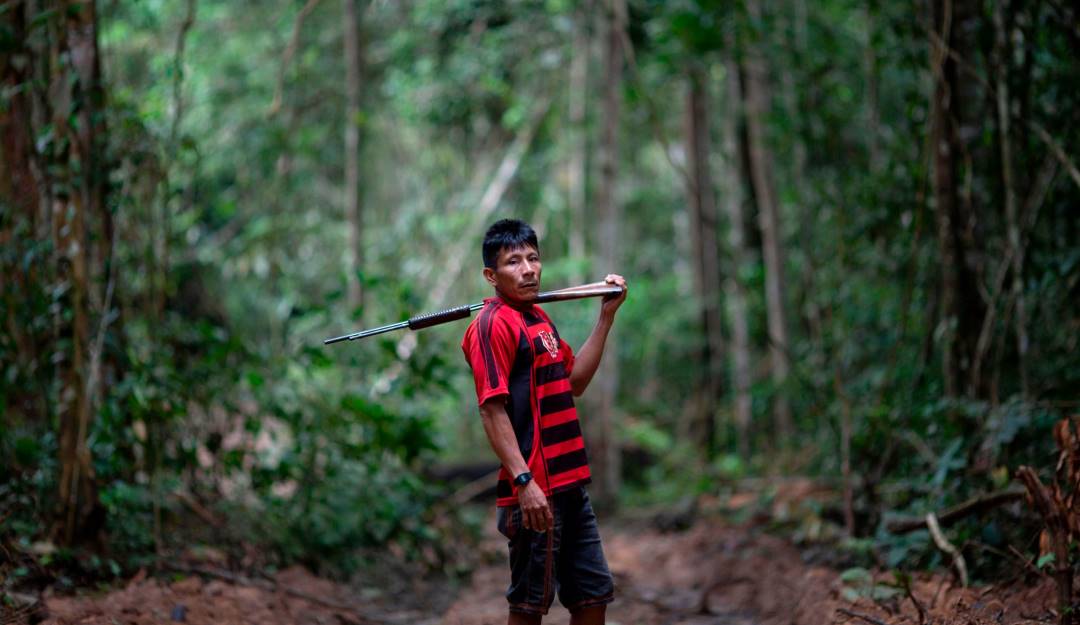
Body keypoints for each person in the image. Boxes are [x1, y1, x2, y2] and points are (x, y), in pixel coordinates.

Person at [461, 218, 627, 625]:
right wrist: (523, 482)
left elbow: (576, 382)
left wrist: (605, 317)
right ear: (491, 275)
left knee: (592, 599)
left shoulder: (536, 318)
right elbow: (491, 409)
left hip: (570, 487)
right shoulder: (491, 325)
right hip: (535, 492)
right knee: (530, 608)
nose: (529, 269)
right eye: (513, 262)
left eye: (533, 258)